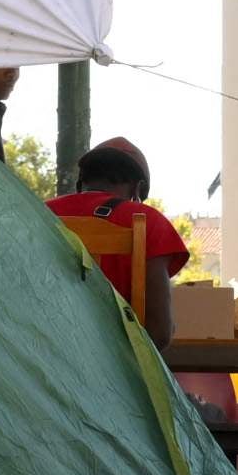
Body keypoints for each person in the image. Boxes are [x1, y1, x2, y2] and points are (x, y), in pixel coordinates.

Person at [47, 136, 195, 339]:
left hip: (42, 361)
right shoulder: (149, 221)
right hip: (116, 367)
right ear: (137, 188)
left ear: (81, 183)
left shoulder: (40, 212)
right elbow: (159, 330)